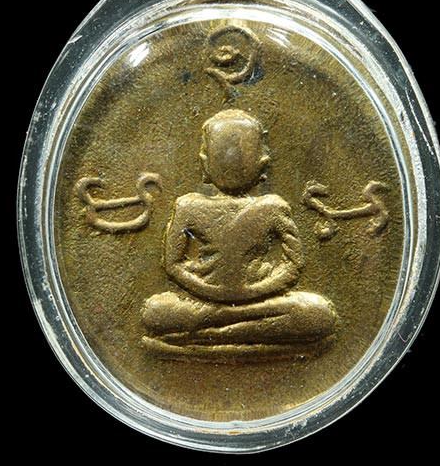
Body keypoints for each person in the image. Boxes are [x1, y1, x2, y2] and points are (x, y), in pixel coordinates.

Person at [142, 109, 337, 359]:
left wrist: (252, 292)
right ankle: (245, 337)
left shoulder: (273, 207)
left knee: (317, 313)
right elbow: (172, 265)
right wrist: (212, 292)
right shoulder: (189, 206)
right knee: (155, 311)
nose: (233, 165)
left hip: (255, 304)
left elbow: (293, 265)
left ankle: (206, 338)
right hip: (210, 303)